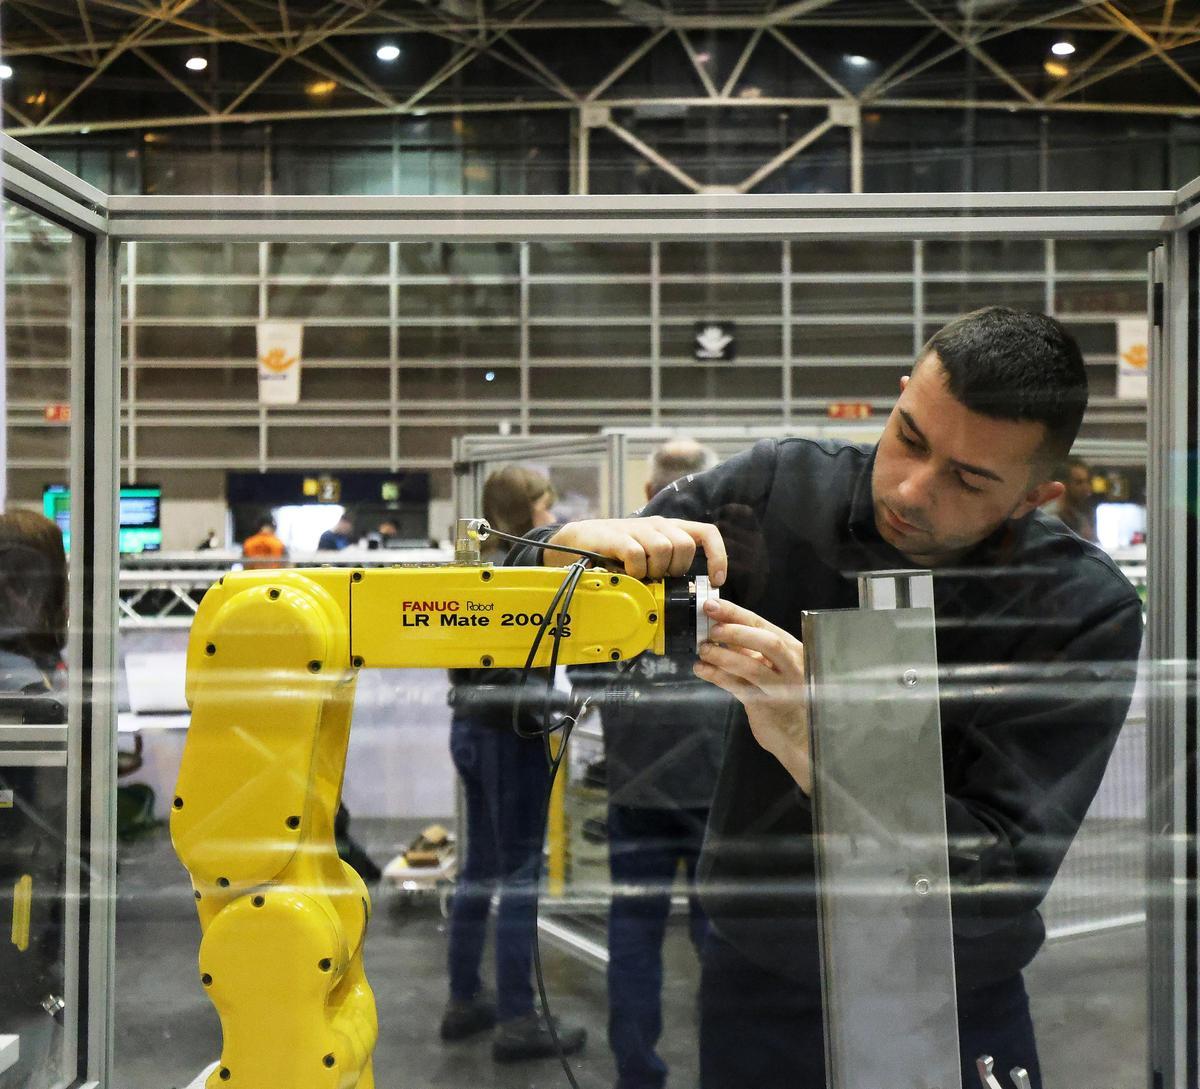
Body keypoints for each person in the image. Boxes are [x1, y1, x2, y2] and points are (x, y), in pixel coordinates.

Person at [509, 307, 1144, 1089]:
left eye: (969, 478)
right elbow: (527, 603)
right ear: (903, 392)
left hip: (951, 996)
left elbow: (992, 877)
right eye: (909, 436)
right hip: (758, 989)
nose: (912, 488)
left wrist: (828, 737)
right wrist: (573, 552)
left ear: (1032, 496)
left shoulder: (1080, 607)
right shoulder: (780, 488)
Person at [575, 439, 729, 1089]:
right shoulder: (730, 564)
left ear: (648, 488)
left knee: (633, 937)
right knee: (720, 943)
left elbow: (583, 673)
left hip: (636, 781)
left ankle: (638, 1073)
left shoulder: (607, 567)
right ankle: (731, 1069)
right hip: (717, 785)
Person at [440, 466, 587, 1063]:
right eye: (547, 505)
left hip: (469, 729)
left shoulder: (471, 562)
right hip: (509, 738)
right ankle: (519, 1020)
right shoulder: (525, 572)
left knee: (479, 867)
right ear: (529, 510)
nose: (553, 517)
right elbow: (510, 671)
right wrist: (561, 700)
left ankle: (463, 1000)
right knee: (522, 875)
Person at [1050, 455, 1098, 542]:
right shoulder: (1050, 519)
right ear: (1063, 484)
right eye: (1079, 482)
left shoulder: (1081, 517)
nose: (1086, 488)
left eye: (1088, 482)